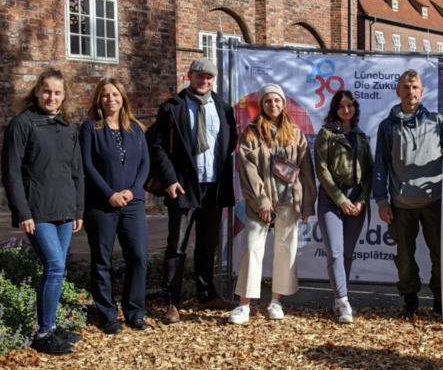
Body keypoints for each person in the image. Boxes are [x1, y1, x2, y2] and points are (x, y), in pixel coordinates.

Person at [1, 67, 84, 354]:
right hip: (37, 212)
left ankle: (51, 325)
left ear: (64, 96)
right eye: (47, 91)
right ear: (37, 91)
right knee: (54, 266)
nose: (52, 96)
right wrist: (22, 212)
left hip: (64, 211)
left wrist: (78, 210)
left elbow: (77, 172)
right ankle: (44, 333)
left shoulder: (66, 126)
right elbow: (11, 173)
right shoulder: (22, 124)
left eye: (58, 92)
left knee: (58, 271)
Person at [149, 58, 238, 324]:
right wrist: (169, 179)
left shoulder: (223, 108)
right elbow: (158, 146)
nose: (205, 81)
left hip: (213, 186)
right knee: (177, 246)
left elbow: (230, 142)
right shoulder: (172, 107)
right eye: (200, 76)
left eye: (209, 77)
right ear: (189, 76)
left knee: (208, 244)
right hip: (183, 186)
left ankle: (206, 293)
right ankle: (171, 301)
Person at [229, 84, 317, 324]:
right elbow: (247, 169)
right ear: (262, 104)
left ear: (283, 103)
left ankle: (275, 301)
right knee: (252, 249)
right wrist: (261, 201)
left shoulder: (296, 133)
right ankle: (244, 304)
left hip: (289, 202)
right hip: (260, 204)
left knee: (285, 249)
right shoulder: (251, 133)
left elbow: (306, 171)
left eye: (277, 100)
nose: (273, 105)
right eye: (268, 101)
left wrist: (307, 204)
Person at [373, 69, 443, 317]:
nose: (410, 91)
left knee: (440, 253)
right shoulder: (387, 126)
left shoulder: (437, 120)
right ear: (398, 91)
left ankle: (441, 298)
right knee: (405, 256)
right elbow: (380, 165)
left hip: (435, 200)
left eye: (415, 87)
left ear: (422, 91)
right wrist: (381, 201)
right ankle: (410, 299)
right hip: (401, 203)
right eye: (406, 87)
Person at [80, 78, 150, 334]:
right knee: (102, 261)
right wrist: (109, 194)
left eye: (115, 94)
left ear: (123, 98)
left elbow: (145, 164)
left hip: (132, 204)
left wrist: (132, 192)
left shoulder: (136, 129)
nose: (111, 99)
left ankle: (134, 312)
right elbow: (87, 165)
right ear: (99, 99)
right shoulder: (90, 128)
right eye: (105, 95)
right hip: (101, 205)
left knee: (139, 256)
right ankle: (108, 315)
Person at [313, 90, 373, 324]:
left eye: (350, 106)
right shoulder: (326, 134)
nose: (346, 110)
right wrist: (340, 199)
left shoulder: (362, 137)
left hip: (356, 198)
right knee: (335, 253)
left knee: (347, 254)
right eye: (341, 106)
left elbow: (369, 172)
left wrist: (361, 200)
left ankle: (339, 298)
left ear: (355, 109)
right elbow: (321, 170)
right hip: (331, 199)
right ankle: (343, 300)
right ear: (335, 109)